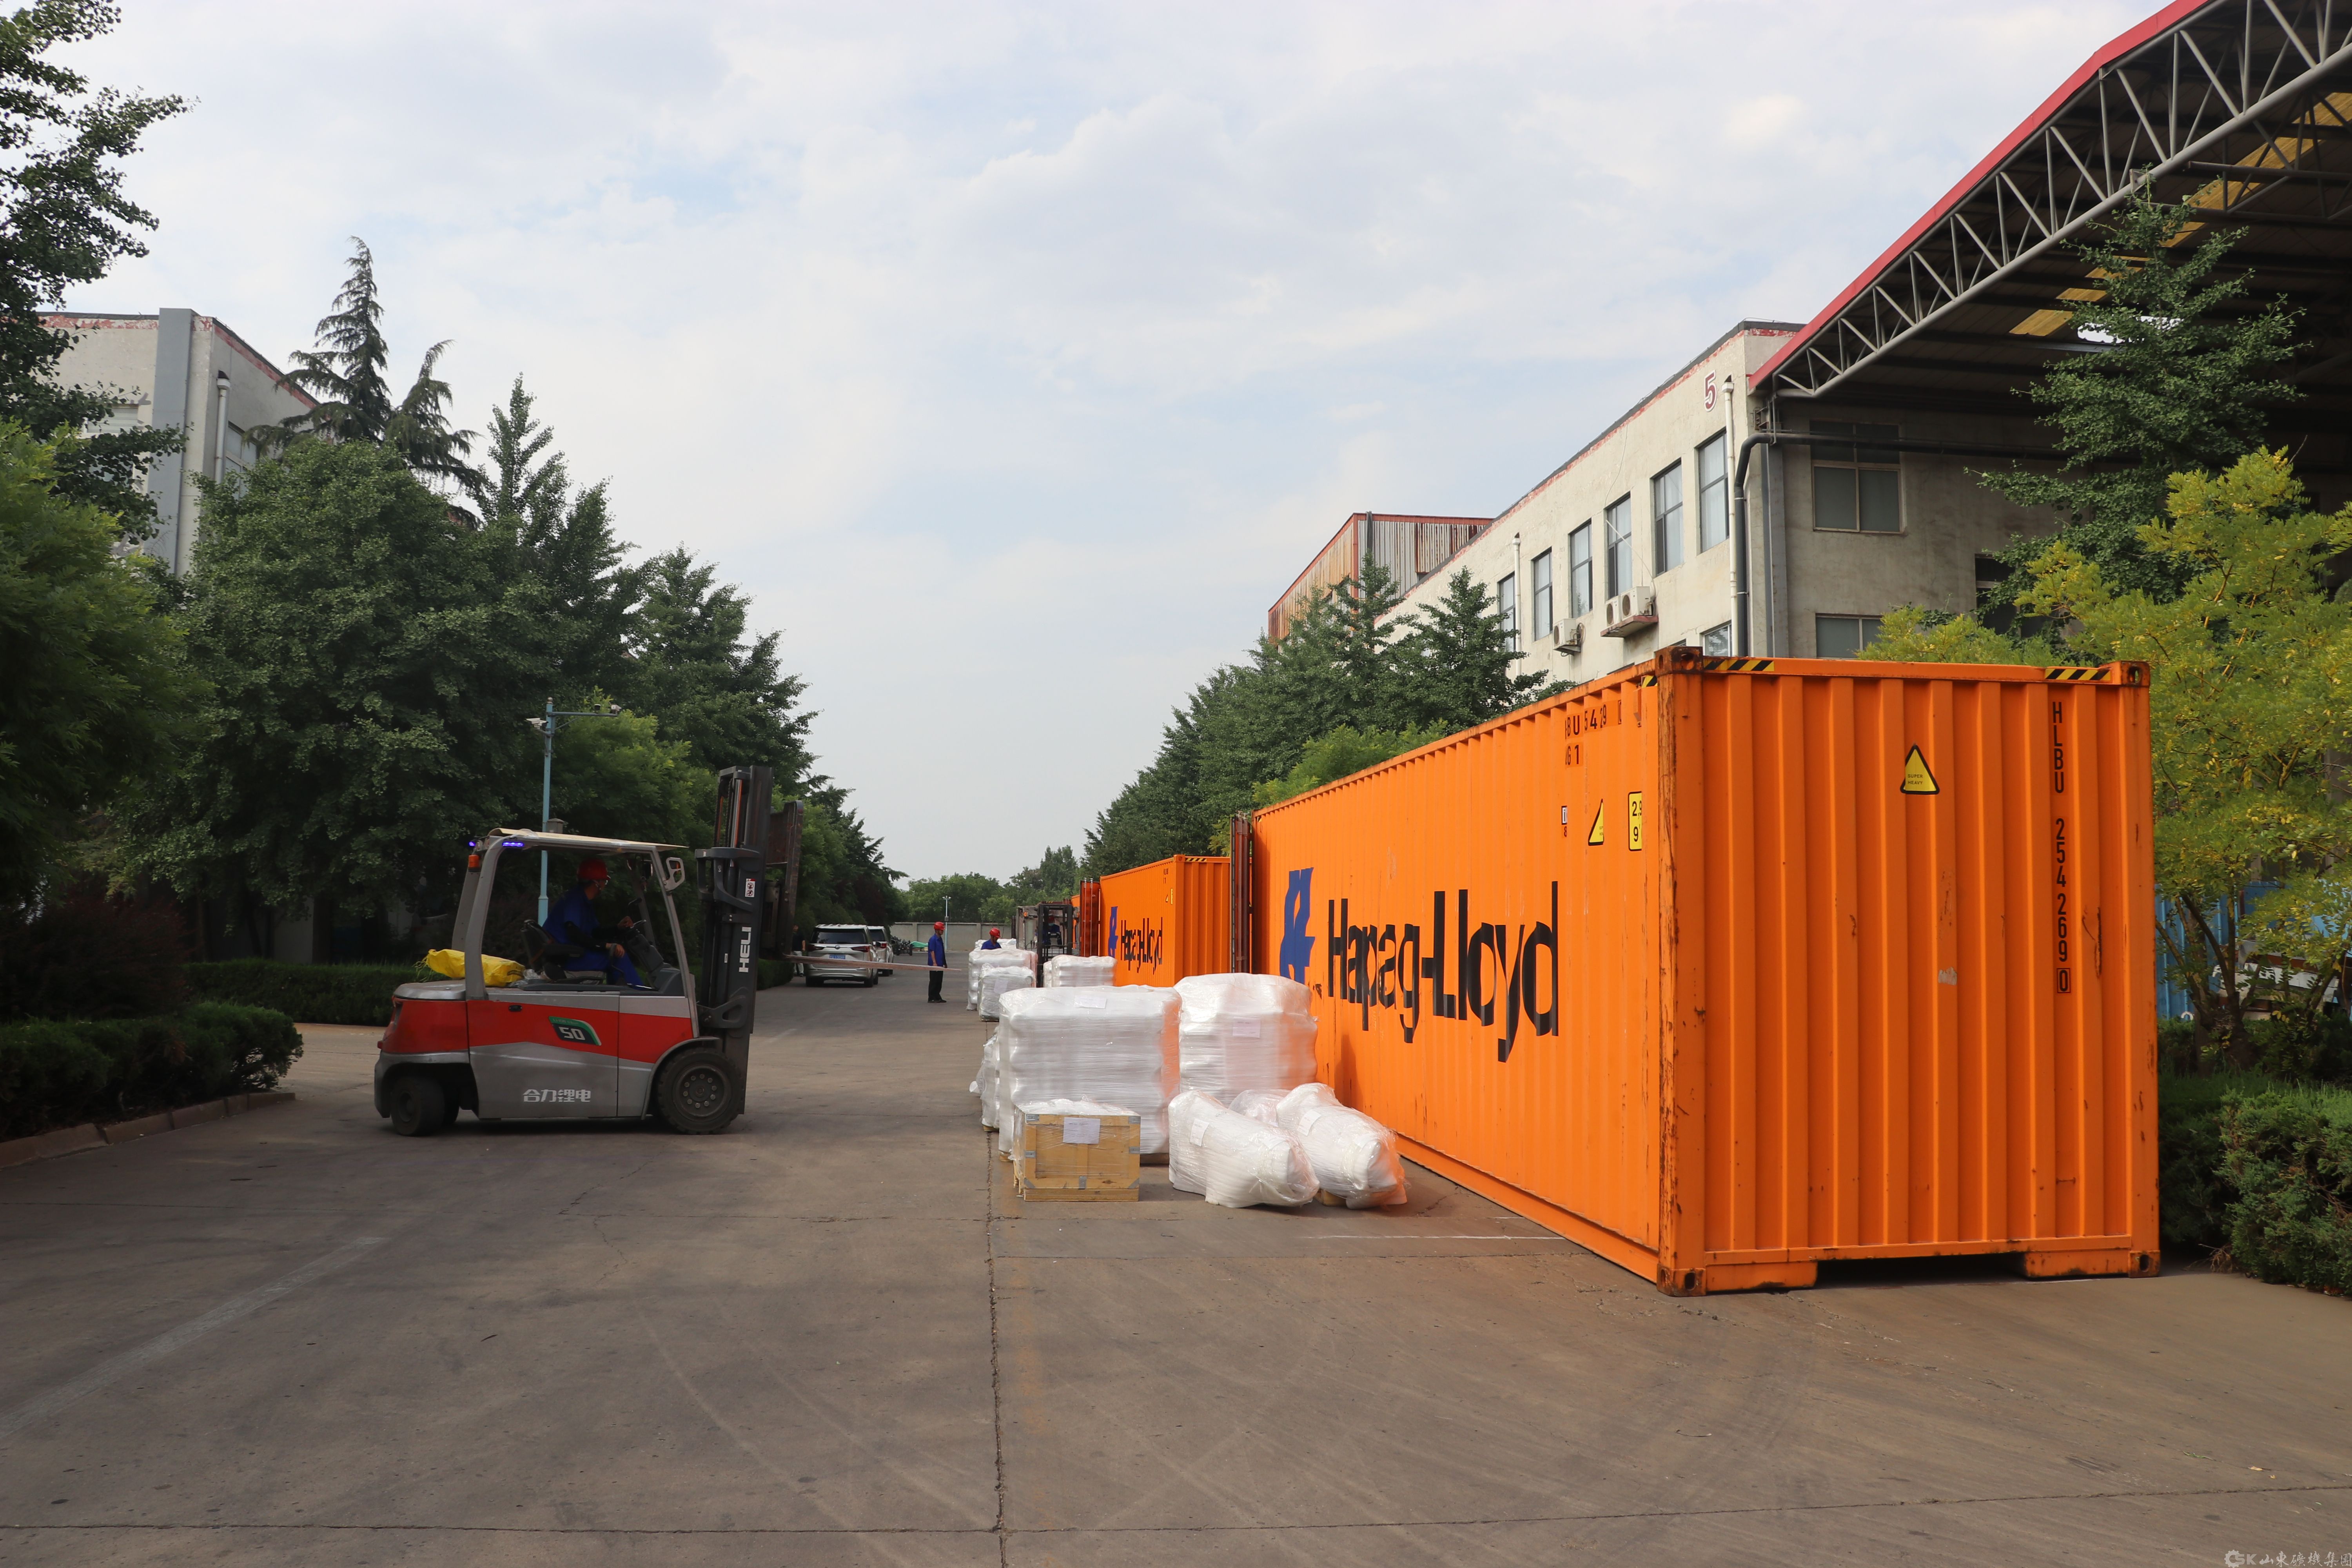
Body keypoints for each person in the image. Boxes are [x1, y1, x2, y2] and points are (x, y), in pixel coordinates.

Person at [545, 858, 645, 985]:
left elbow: (595, 933)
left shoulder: (582, 901)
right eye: (604, 881)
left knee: (613, 954)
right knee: (617, 956)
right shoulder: (575, 901)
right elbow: (574, 934)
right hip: (569, 958)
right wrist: (606, 946)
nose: (604, 886)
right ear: (596, 883)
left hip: (571, 954)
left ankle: (619, 993)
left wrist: (618, 928)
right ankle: (638, 994)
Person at [926, 921, 947, 1003]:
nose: (943, 932)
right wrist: (934, 963)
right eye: (941, 930)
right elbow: (932, 952)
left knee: (939, 982)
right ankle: (931, 998)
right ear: (937, 930)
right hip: (934, 965)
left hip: (940, 964)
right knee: (934, 981)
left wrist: (944, 963)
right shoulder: (933, 940)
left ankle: (937, 996)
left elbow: (942, 952)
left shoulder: (940, 939)